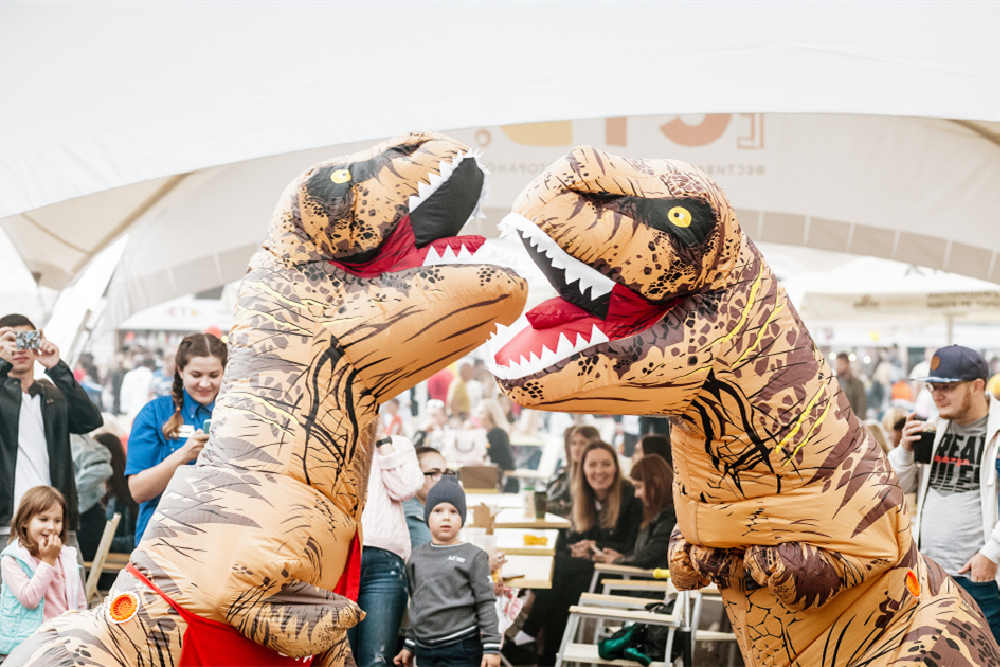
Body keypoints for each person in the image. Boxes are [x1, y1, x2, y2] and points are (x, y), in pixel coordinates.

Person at [887, 344, 1000, 643]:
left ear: (977, 386)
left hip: (981, 580)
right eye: (932, 387)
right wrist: (904, 452)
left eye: (948, 387)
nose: (937, 395)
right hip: (931, 575)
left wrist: (991, 554)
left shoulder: (997, 431)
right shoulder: (933, 427)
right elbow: (894, 488)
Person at [519, 441, 643, 665]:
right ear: (583, 469)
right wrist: (578, 547)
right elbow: (573, 539)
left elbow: (632, 545)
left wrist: (594, 546)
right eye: (592, 465)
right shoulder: (583, 496)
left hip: (613, 575)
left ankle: (529, 631)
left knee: (558, 568)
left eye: (605, 464)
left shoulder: (630, 497)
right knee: (563, 591)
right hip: (583, 574)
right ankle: (547, 657)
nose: (598, 471)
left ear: (616, 467)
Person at [0, 314, 104, 548]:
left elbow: (90, 420)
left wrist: (57, 367)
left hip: (56, 525)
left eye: (27, 339)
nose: (19, 347)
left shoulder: (51, 395)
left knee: (66, 586)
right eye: (10, 339)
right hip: (6, 525)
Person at [125, 333, 227, 545]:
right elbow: (138, 491)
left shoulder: (235, 415)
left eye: (214, 375)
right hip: (160, 541)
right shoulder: (155, 413)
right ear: (180, 371)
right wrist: (183, 455)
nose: (205, 383)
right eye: (196, 375)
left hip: (217, 542)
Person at [395, 476, 501, 667]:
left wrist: (491, 647)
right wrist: (409, 645)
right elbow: (417, 604)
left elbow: (485, 603)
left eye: (453, 511)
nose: (446, 517)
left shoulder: (474, 556)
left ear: (461, 519)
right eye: (438, 510)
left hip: (462, 646)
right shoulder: (416, 557)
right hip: (425, 648)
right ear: (427, 516)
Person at [349, 435, 424, 667]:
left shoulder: (398, 444)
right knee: (340, 659)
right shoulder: (334, 435)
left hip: (385, 562)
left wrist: (383, 442)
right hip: (339, 556)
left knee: (377, 660)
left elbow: (406, 488)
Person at [0, 486, 87, 656]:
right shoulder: (12, 559)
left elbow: (79, 600)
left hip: (61, 641)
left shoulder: (67, 556)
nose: (52, 526)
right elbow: (29, 599)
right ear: (25, 521)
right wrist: (48, 561)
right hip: (25, 645)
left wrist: (81, 631)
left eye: (57, 520)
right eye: (43, 519)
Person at [595, 454, 676, 569]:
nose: (635, 494)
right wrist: (623, 557)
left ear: (655, 483)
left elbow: (650, 558)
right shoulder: (659, 516)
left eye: (639, 487)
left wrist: (618, 560)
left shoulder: (670, 517)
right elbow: (644, 556)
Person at [69, 433, 113, 561]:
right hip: (83, 515)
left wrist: (71, 493)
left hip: (84, 517)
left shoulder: (72, 438)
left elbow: (102, 467)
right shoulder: (77, 438)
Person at [95, 433, 138, 555]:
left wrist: (105, 542)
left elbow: (137, 539)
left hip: (116, 565)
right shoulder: (93, 492)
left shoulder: (130, 495)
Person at [544, 425, 600, 518]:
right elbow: (548, 502)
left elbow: (583, 507)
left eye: (583, 443)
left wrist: (563, 506)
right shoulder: (570, 472)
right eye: (573, 443)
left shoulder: (596, 475)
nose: (577, 448)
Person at [404, 447, 449, 549]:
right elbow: (432, 559)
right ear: (414, 476)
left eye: (445, 474)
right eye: (434, 473)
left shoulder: (428, 510)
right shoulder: (413, 514)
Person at [477, 399, 517, 492]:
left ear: (491, 415)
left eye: (481, 413)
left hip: (504, 484)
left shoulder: (497, 433)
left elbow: (483, 456)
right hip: (494, 480)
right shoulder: (491, 433)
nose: (478, 416)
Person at [835, 352, 867, 418]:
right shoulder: (832, 382)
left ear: (847, 365)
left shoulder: (858, 384)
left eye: (840, 364)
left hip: (852, 423)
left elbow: (862, 408)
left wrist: (857, 424)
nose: (837, 367)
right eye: (836, 364)